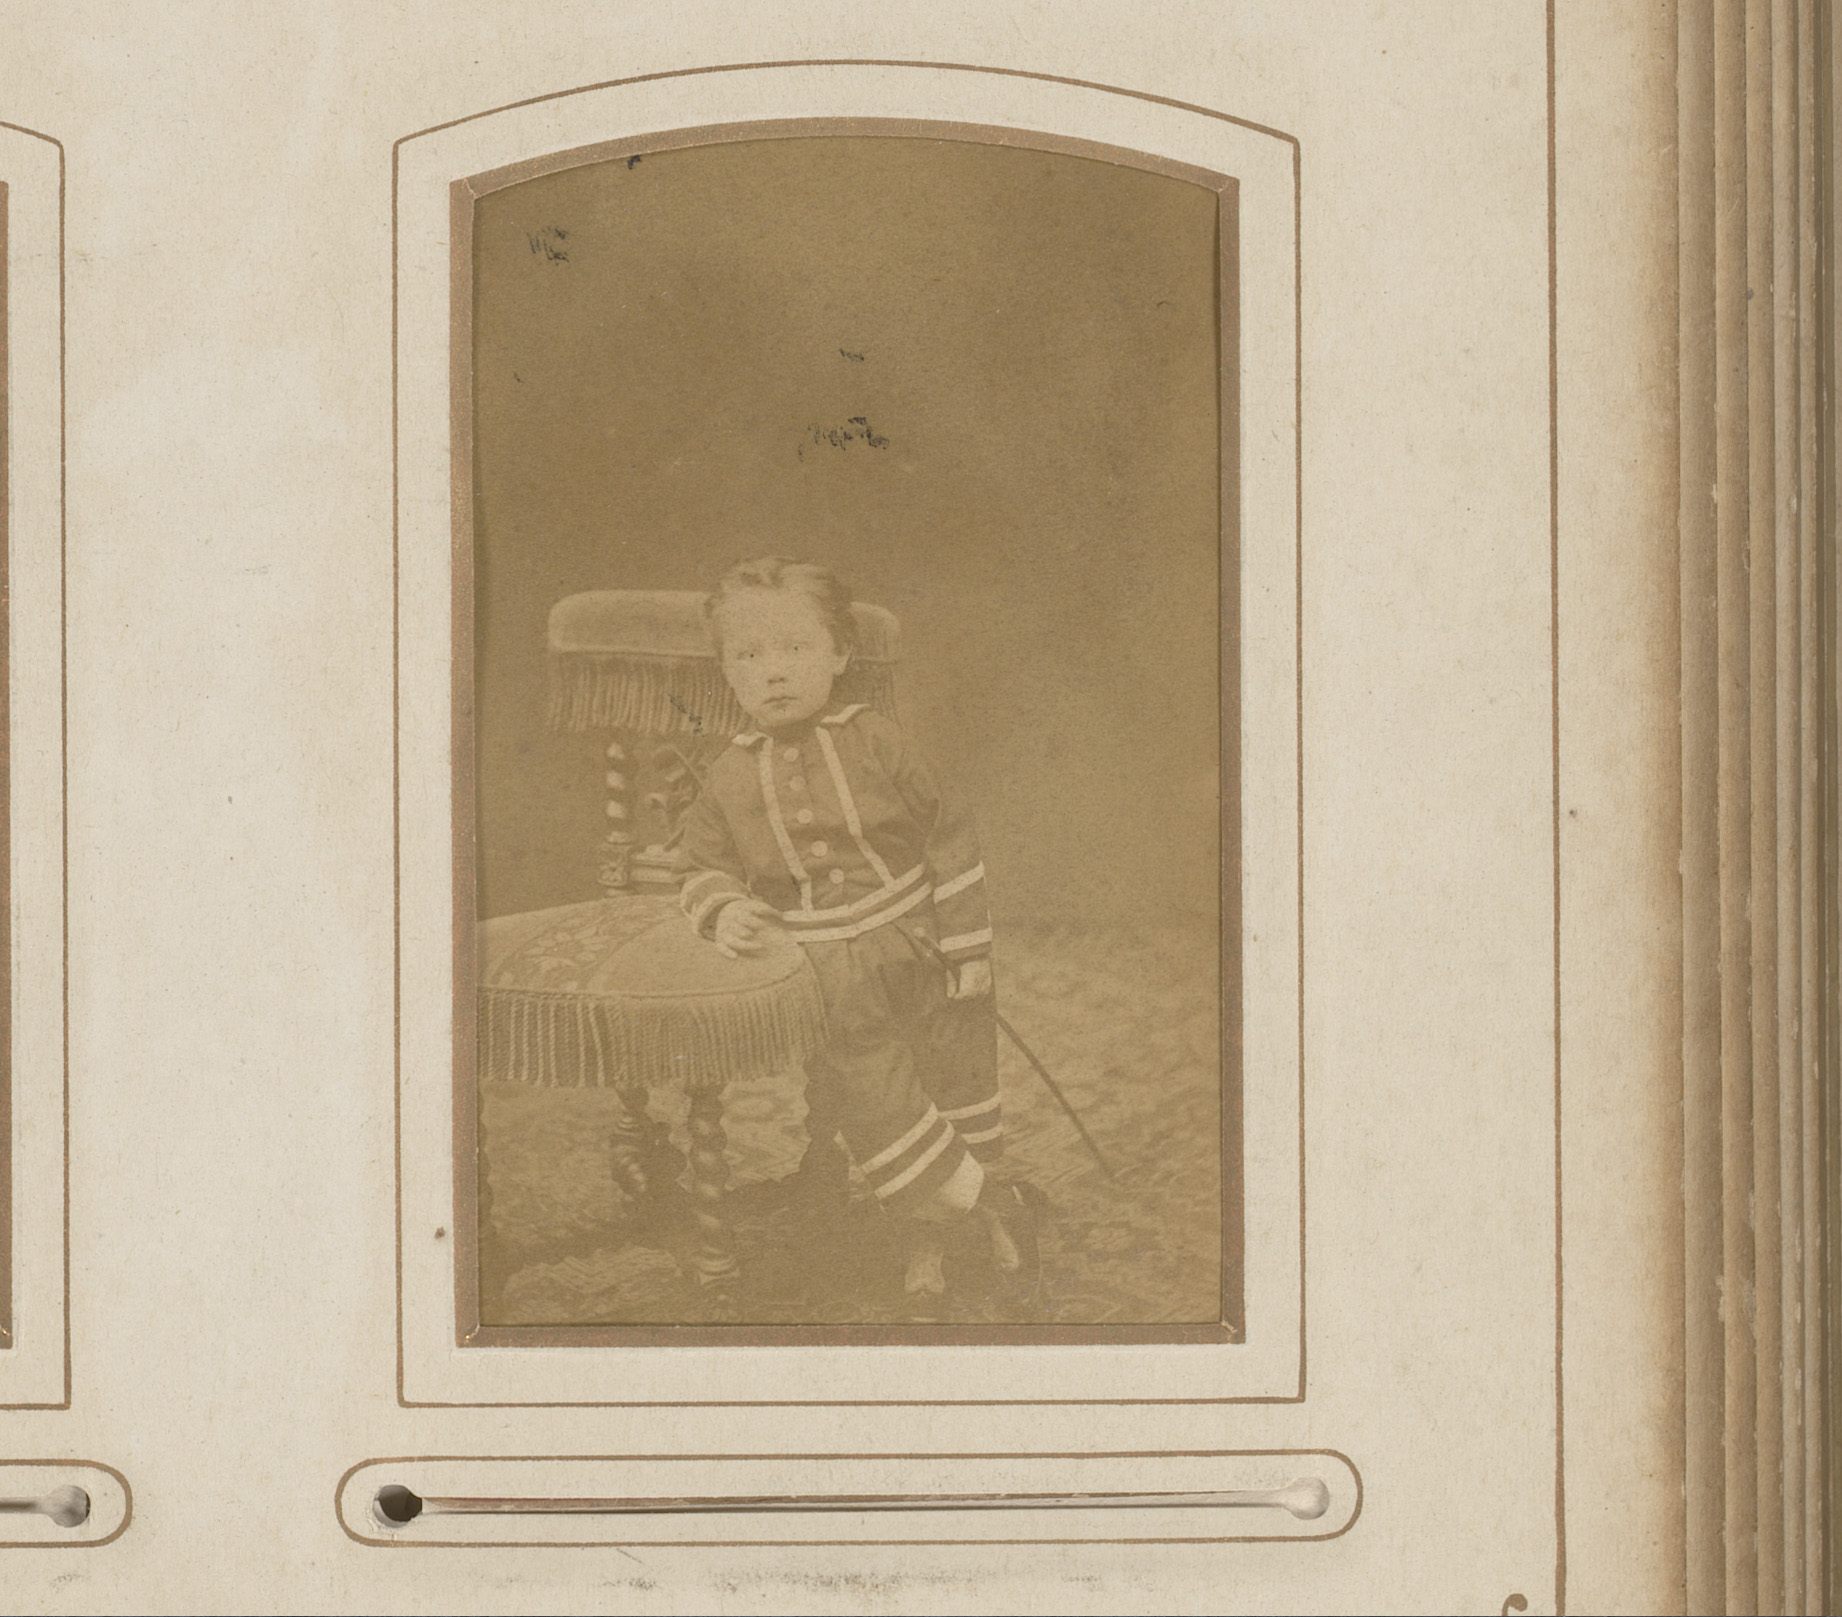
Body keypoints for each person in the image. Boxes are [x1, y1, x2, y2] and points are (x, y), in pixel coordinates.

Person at [675, 556, 1020, 1298]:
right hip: (827, 973)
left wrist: (967, 947)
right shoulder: (728, 776)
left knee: (956, 1072)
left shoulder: (875, 739)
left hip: (919, 942)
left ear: (839, 654)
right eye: (748, 655)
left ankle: (962, 1224)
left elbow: (948, 831)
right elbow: (700, 865)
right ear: (726, 672)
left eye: (795, 648)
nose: (773, 670)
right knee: (876, 1096)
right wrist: (727, 908)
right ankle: (961, 1214)